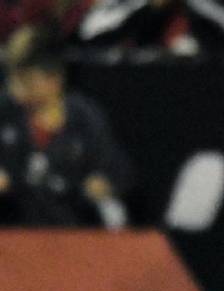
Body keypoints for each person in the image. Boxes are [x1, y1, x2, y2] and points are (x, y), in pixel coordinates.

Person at [0, 26, 132, 227]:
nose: (16, 88)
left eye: (27, 80)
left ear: (54, 79)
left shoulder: (84, 117)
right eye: (13, 79)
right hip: (12, 227)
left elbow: (117, 169)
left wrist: (103, 183)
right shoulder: (6, 112)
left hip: (72, 228)